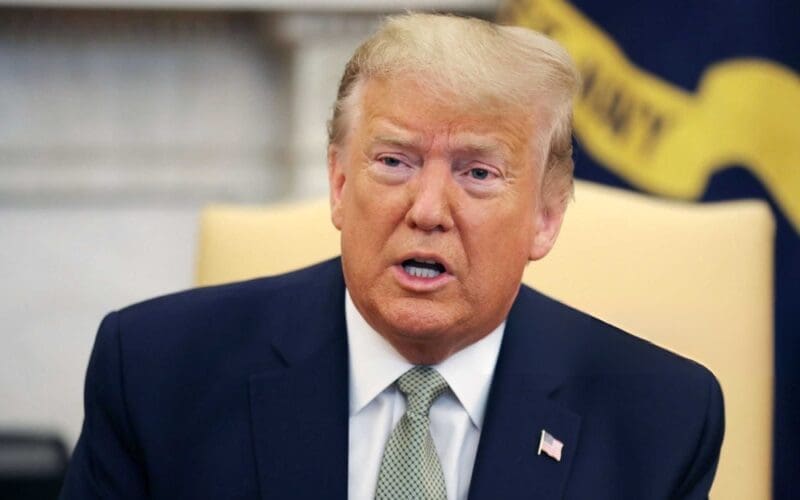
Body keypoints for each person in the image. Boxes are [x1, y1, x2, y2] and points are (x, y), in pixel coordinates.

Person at [60, 13, 724, 500]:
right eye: (394, 161)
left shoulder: (659, 418)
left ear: (546, 220)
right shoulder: (153, 372)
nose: (428, 208)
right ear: (340, 184)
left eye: (477, 173)